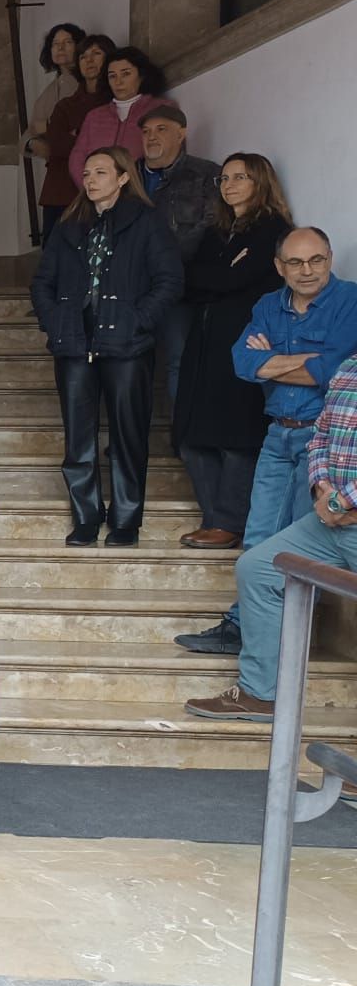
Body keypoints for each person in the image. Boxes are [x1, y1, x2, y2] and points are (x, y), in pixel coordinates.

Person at [177, 226, 357, 671]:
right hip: (278, 434)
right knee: (258, 536)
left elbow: (335, 371)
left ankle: (280, 640)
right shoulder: (266, 305)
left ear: (329, 258)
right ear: (279, 267)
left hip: (324, 441)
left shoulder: (350, 301)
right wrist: (294, 364)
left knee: (296, 542)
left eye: (316, 259)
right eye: (295, 262)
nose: (307, 270)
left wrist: (271, 362)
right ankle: (244, 627)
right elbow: (243, 362)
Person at [31, 147, 183, 546]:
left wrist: (137, 320)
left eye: (101, 171)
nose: (91, 179)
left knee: (128, 434)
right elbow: (42, 283)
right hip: (75, 342)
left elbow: (169, 281)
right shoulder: (69, 225)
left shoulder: (146, 222)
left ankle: (126, 519)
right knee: (78, 436)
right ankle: (85, 517)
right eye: (86, 172)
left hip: (127, 343)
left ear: (122, 177)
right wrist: (55, 320)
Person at [218, 353, 357, 723]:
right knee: (260, 568)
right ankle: (261, 694)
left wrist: (345, 499)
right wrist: (321, 487)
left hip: (345, 508)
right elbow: (321, 434)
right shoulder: (348, 368)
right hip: (332, 519)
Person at [173, 155, 291, 549]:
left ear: (260, 182)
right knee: (191, 436)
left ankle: (229, 521)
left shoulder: (272, 230)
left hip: (244, 343)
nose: (229, 184)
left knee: (235, 435)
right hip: (205, 341)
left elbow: (231, 278)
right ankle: (215, 518)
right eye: (224, 177)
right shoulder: (217, 230)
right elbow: (191, 279)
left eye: (240, 177)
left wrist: (218, 278)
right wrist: (219, 279)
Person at [135, 102, 223, 398]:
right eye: (146, 131)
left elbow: (211, 226)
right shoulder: (127, 175)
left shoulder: (206, 173)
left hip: (179, 287)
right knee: (128, 364)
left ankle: (181, 442)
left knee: (179, 360)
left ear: (181, 134)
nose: (152, 137)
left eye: (162, 129)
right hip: (130, 287)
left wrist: (166, 267)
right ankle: (129, 443)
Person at [67, 46, 169, 189]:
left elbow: (169, 154)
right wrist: (92, 190)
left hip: (144, 197)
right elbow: (76, 159)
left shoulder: (160, 109)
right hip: (101, 200)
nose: (118, 81)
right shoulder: (95, 116)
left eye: (126, 74)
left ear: (142, 75)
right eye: (112, 76)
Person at [25, 22, 86, 242]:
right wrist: (33, 142)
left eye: (67, 42)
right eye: (55, 43)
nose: (60, 48)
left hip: (79, 173)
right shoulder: (48, 91)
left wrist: (47, 128)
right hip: (55, 175)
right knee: (53, 242)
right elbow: (29, 130)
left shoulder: (84, 86)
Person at [44, 33, 113, 216]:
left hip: (105, 193)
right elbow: (56, 144)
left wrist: (78, 135)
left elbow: (114, 145)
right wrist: (92, 138)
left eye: (96, 53)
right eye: (83, 56)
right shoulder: (65, 106)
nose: (89, 60)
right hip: (62, 192)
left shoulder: (115, 103)